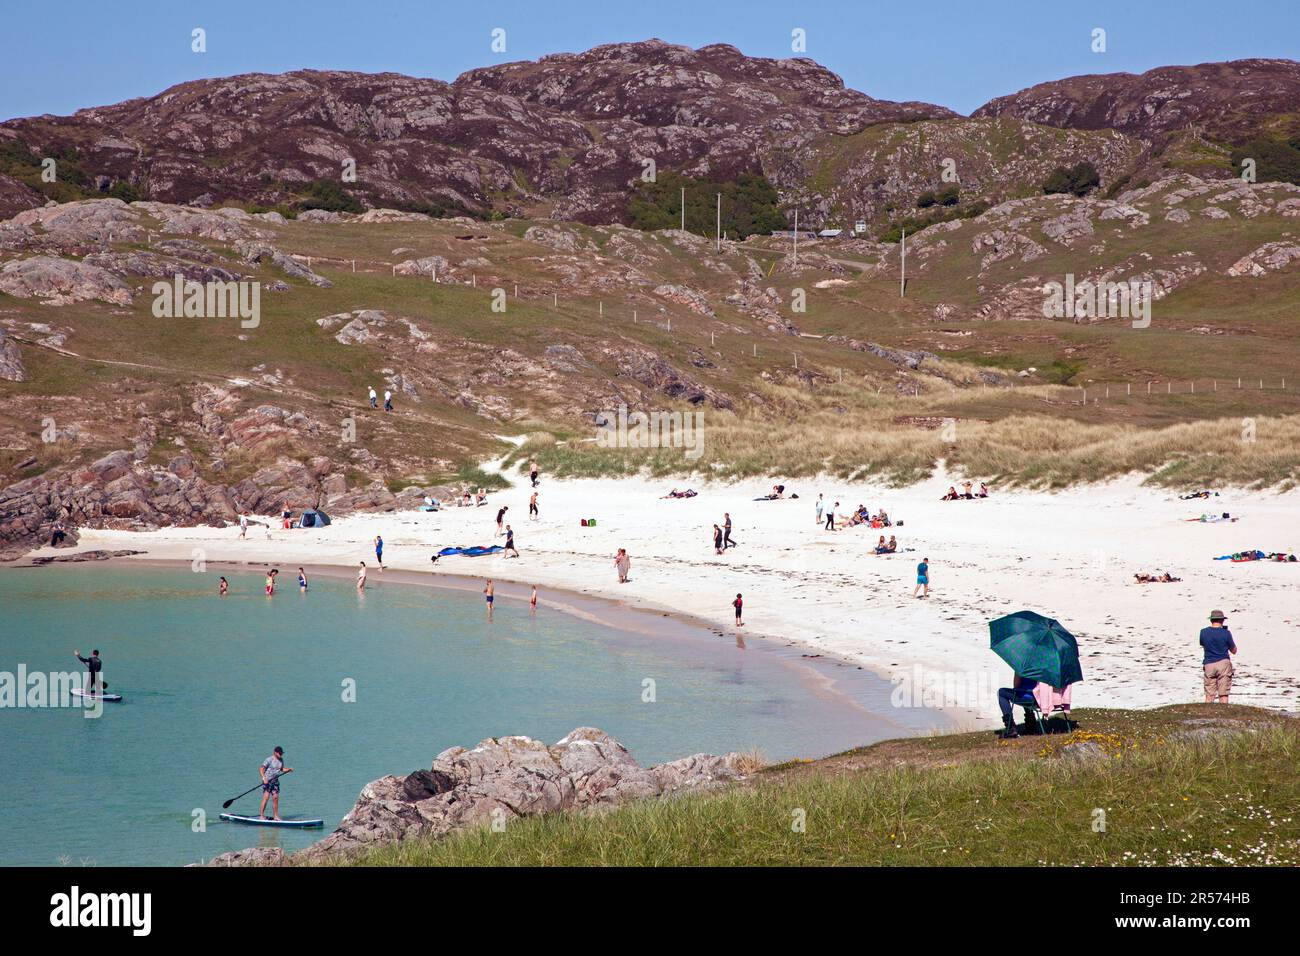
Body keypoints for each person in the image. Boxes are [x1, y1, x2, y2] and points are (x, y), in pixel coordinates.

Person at [1200, 610, 1237, 704]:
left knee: (1209, 694)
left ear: (1211, 620)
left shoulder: (1203, 632)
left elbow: (1203, 645)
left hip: (1209, 663)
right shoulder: (1226, 633)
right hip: (1223, 663)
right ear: (1222, 620)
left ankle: (1208, 714)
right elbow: (1234, 650)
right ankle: (1224, 715)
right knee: (1223, 693)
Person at [996, 673, 1039, 739]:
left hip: (1029, 698)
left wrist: (1017, 673)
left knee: (1002, 692)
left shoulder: (1022, 667)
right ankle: (1031, 726)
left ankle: (1010, 728)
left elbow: (1016, 686)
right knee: (1024, 693)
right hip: (1039, 698)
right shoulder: (1042, 665)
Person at [258, 746, 293, 821]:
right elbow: (261, 769)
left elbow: (281, 769)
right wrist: (264, 778)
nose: (281, 754)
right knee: (266, 798)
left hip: (275, 782)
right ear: (275, 752)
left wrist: (288, 770)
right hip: (267, 781)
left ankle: (275, 816)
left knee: (275, 798)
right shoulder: (269, 760)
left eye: (281, 753)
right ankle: (261, 816)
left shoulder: (281, 760)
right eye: (279, 753)